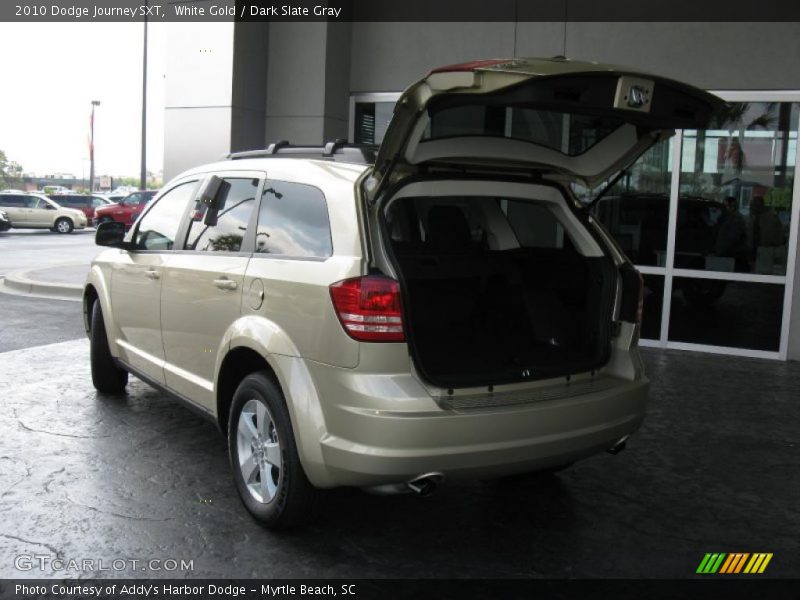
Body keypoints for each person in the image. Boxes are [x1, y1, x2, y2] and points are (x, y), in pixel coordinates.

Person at [714, 196, 748, 270]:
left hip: (732, 254)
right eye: (725, 206)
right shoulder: (722, 218)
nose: (725, 208)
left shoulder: (738, 219)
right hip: (723, 253)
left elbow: (734, 237)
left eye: (727, 206)